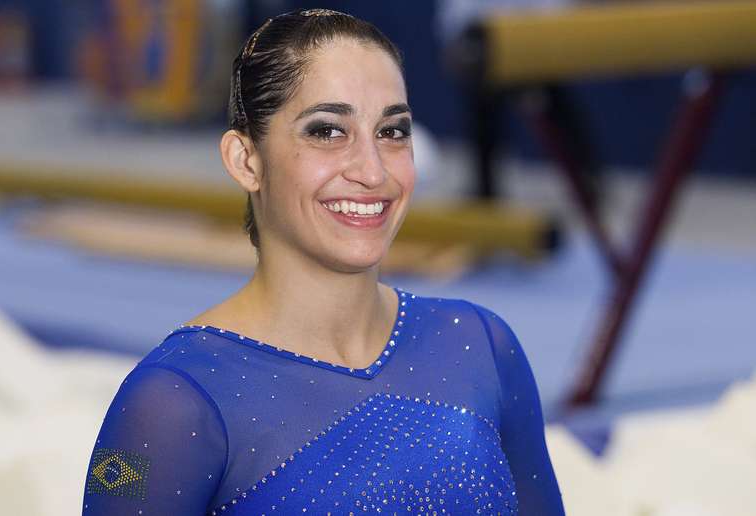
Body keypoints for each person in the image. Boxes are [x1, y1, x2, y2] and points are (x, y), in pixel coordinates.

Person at [81, 8, 565, 515]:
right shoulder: (167, 404)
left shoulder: (481, 345)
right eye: (328, 131)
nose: (372, 171)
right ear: (246, 160)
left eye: (392, 131)